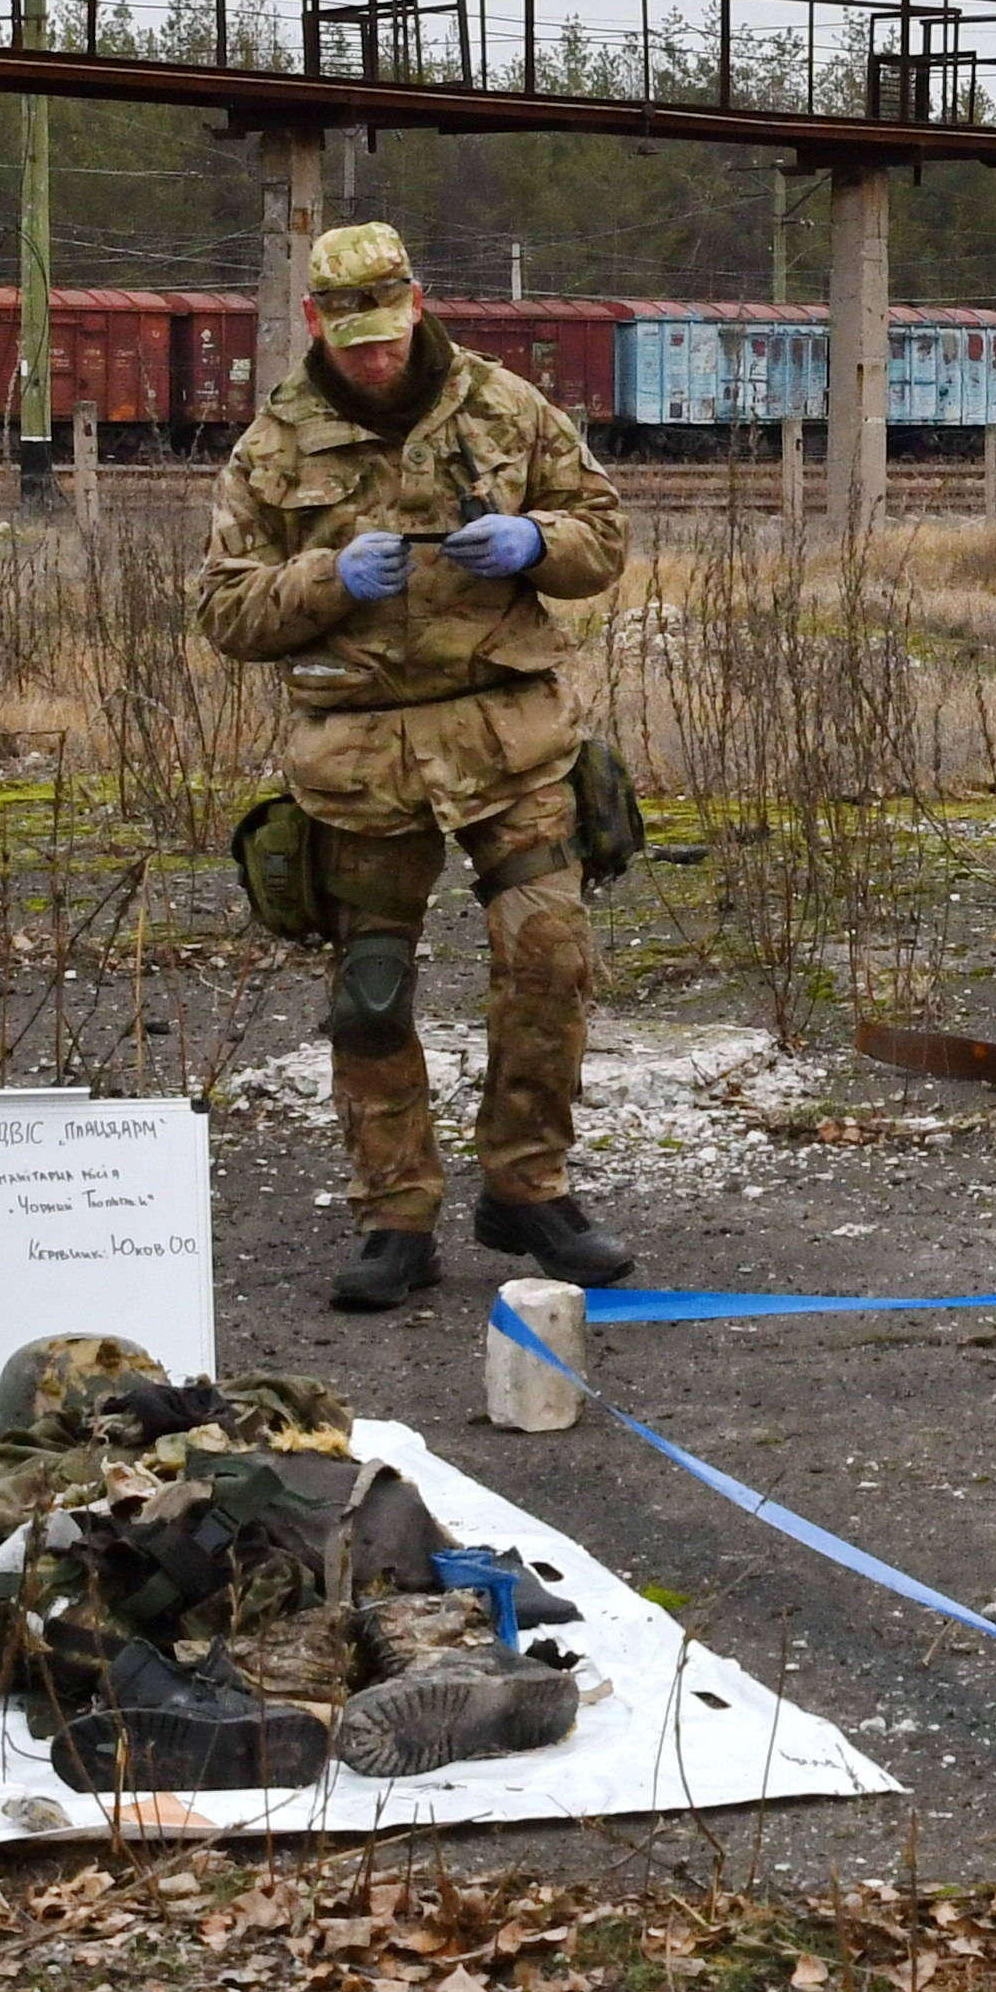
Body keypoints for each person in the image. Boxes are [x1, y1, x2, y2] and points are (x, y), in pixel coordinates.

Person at [195, 219, 641, 1311]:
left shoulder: (502, 406)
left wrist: (538, 541)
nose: (377, 356)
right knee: (371, 995)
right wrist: (327, 580)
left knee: (548, 961)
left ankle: (527, 1188)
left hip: (507, 734)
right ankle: (395, 1218)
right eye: (354, 341)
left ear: (417, 302)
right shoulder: (273, 448)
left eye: (389, 334)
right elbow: (225, 612)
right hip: (359, 755)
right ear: (315, 323)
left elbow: (604, 532)